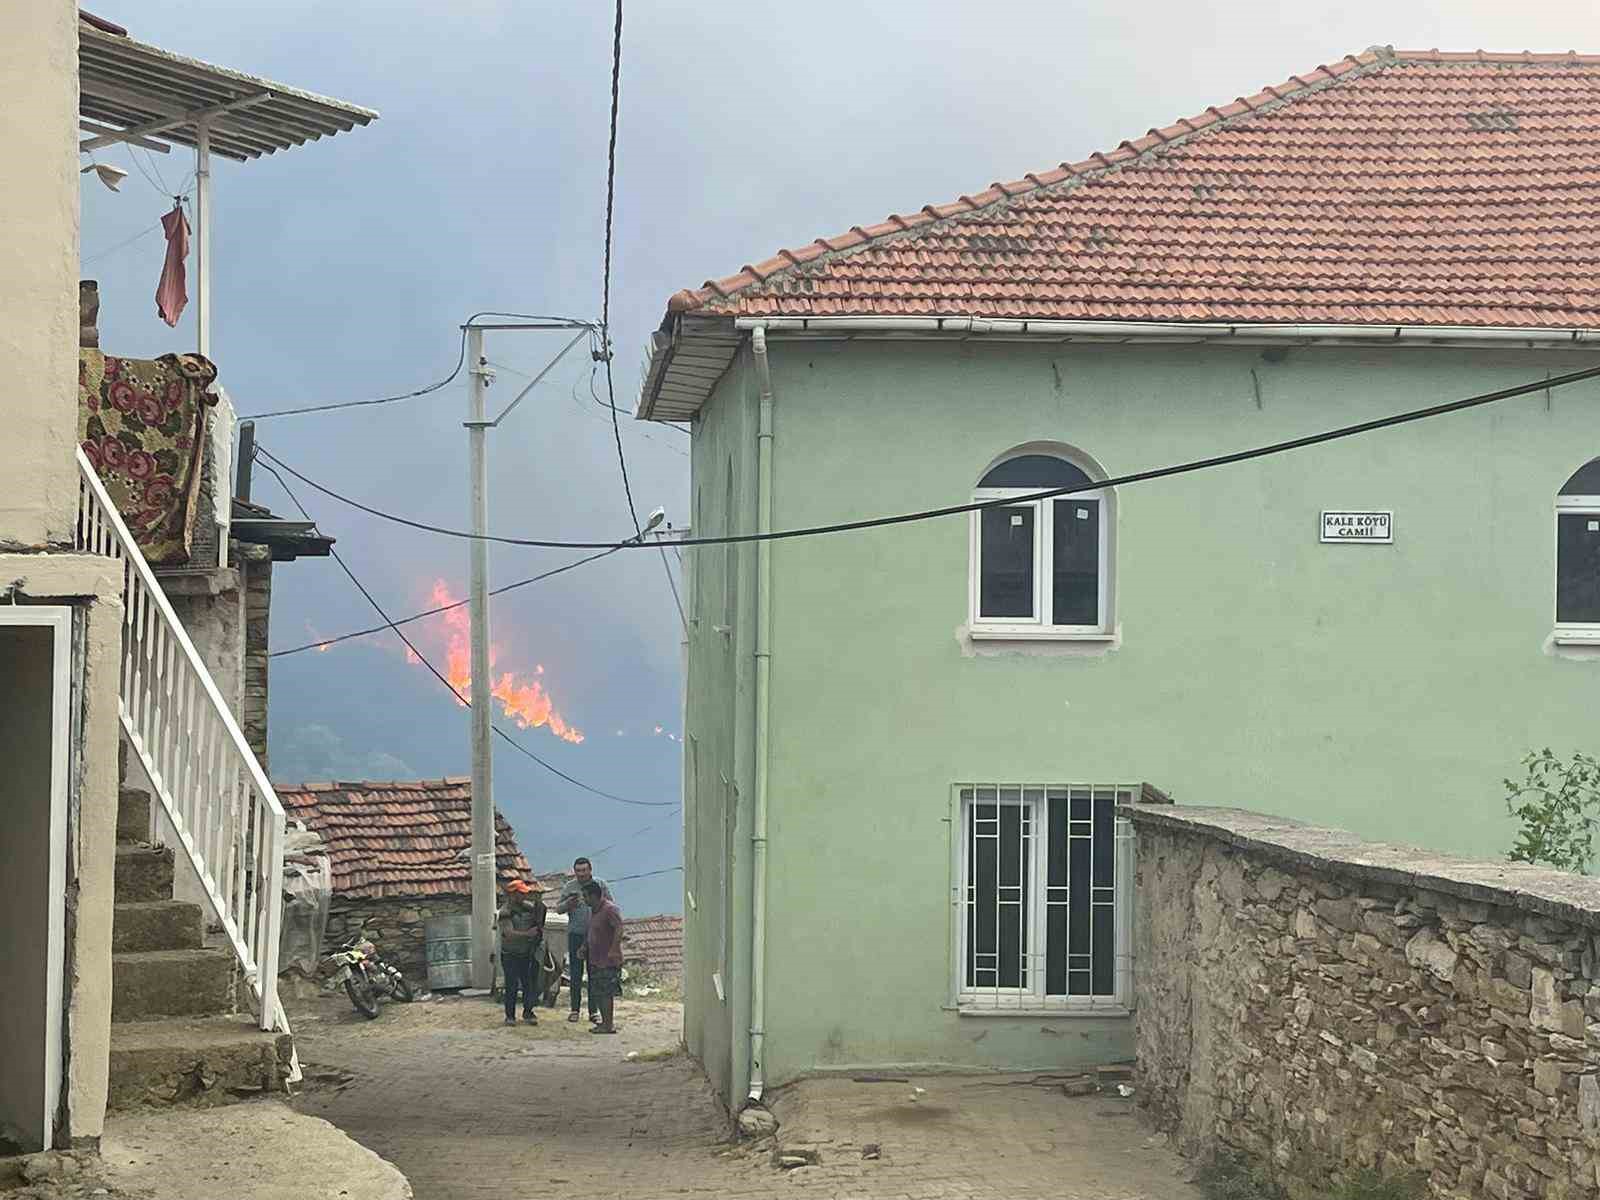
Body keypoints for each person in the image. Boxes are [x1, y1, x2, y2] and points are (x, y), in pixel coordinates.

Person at [556, 857, 611, 1024]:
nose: (581, 874)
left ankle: (593, 1011)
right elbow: (558, 909)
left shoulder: (600, 885)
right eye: (578, 871)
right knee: (575, 974)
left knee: (594, 973)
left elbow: (610, 904)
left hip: (596, 936)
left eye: (584, 870)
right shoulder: (569, 887)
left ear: (590, 870)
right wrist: (569, 903)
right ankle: (574, 1010)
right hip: (576, 934)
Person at [497, 879, 546, 1026]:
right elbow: (509, 933)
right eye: (521, 893)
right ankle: (510, 1015)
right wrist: (527, 934)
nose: (524, 896)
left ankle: (528, 1011)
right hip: (510, 954)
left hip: (526, 953)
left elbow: (538, 918)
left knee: (528, 984)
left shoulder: (529, 908)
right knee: (511, 985)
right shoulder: (505, 912)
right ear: (512, 895)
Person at [583, 880, 624, 1034]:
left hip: (607, 959)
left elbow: (619, 929)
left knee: (606, 993)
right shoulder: (593, 911)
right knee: (598, 991)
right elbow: (591, 932)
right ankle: (604, 1022)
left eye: (586, 896)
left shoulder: (610, 909)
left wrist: (614, 949)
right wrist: (584, 947)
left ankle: (608, 1025)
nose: (584, 899)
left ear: (594, 896)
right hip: (595, 958)